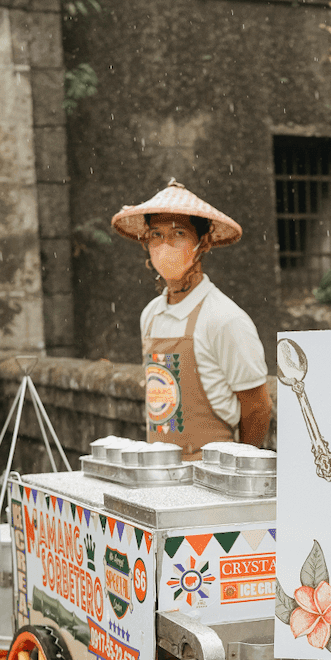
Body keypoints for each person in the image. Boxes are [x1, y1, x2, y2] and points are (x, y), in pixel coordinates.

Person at [111, 179, 272, 459]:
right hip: (160, 470)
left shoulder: (225, 318)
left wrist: (237, 466)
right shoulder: (150, 315)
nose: (165, 245)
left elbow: (258, 407)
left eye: (178, 233)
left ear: (203, 242)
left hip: (212, 472)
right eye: (156, 235)